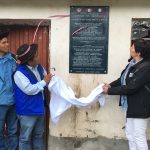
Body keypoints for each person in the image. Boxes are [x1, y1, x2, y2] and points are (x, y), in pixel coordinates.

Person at [103, 39, 150, 150]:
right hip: (130, 105)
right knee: (130, 134)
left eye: (132, 47)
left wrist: (109, 91)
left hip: (140, 107)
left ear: (138, 52)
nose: (130, 48)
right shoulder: (132, 64)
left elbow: (132, 87)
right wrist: (110, 86)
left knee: (139, 136)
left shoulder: (146, 68)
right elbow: (122, 79)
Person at [13, 44, 53, 150]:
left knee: (38, 136)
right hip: (27, 111)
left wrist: (52, 82)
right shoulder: (19, 73)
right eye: (36, 55)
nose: (38, 56)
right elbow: (29, 89)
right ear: (30, 60)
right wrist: (45, 81)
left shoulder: (40, 67)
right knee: (25, 139)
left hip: (39, 109)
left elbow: (47, 82)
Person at [0, 29, 18, 150]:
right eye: (4, 42)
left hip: (12, 101)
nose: (7, 44)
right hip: (0, 103)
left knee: (13, 131)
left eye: (7, 42)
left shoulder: (12, 58)